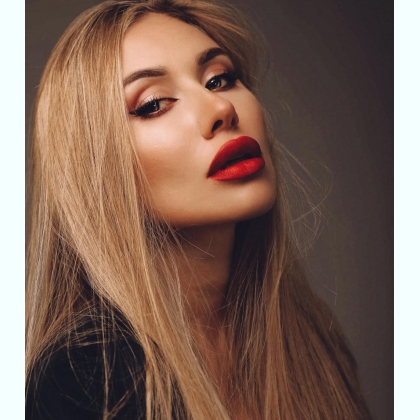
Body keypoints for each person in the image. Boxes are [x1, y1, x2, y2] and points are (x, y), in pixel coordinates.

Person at [25, 0, 372, 419]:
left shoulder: (312, 348)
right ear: (94, 173)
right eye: (154, 103)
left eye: (219, 79)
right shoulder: (84, 381)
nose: (221, 109)